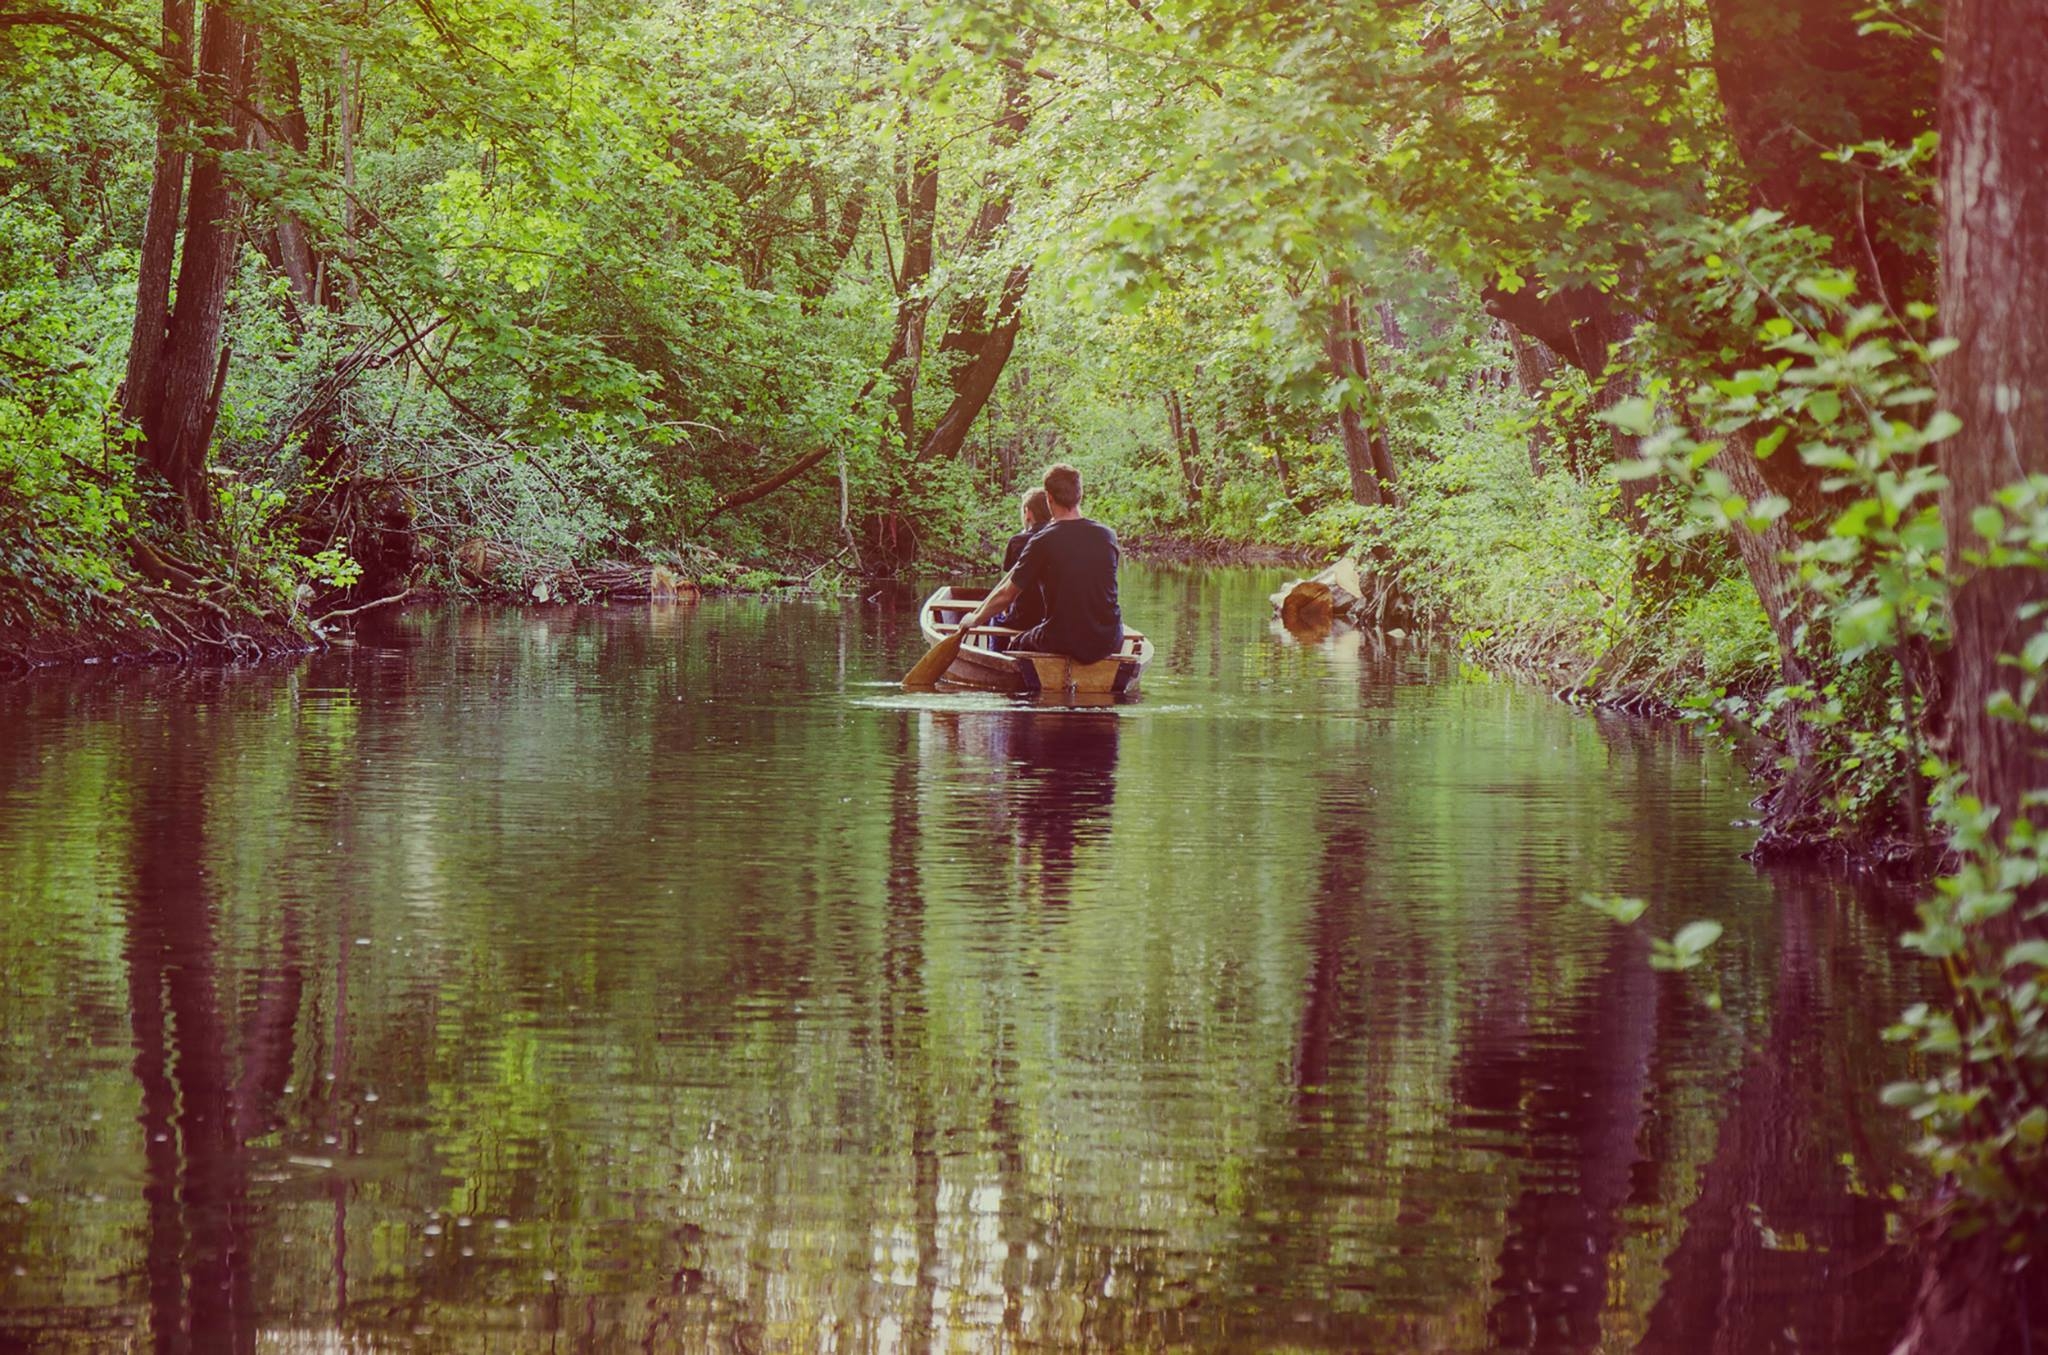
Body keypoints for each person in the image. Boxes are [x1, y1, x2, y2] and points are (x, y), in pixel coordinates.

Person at [957, 463, 1123, 662]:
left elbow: (1006, 595)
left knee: (1016, 646)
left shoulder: (1042, 541)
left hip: (1063, 639)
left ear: (1049, 498)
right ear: (1080, 494)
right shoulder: (1108, 536)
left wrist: (975, 619)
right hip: (1110, 639)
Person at [995, 488, 1052, 635]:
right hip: (1051, 620)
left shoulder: (1017, 541)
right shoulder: (1060, 539)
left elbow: (1008, 585)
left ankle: (997, 654)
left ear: (1028, 512)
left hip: (1024, 618)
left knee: (995, 617)